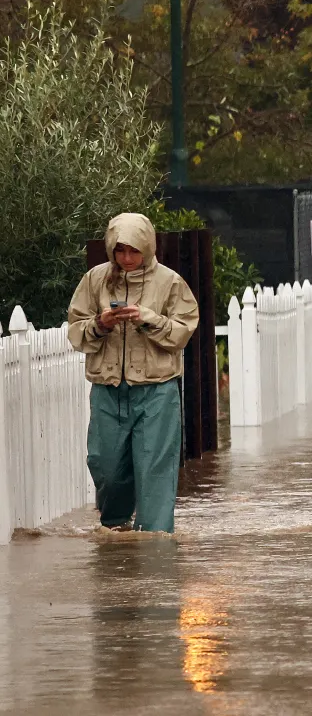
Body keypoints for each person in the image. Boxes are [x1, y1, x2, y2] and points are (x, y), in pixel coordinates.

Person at [66, 213, 200, 532]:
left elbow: (184, 330)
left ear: (148, 248)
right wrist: (100, 324)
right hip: (107, 390)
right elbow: (75, 330)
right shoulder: (94, 280)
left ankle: (155, 552)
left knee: (155, 472)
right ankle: (117, 533)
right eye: (120, 250)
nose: (127, 258)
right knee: (106, 467)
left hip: (157, 391)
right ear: (111, 248)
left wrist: (148, 319)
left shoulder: (170, 282)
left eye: (134, 250)